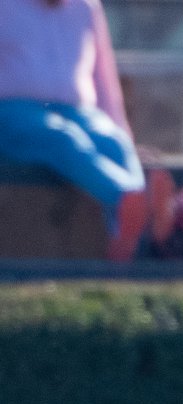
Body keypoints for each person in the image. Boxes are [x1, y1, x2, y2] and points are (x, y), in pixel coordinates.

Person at [0, 0, 146, 261]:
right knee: (64, 139)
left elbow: (104, 79)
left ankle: (129, 236)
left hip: (78, 110)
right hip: (14, 111)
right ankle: (131, 198)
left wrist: (122, 130)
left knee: (115, 142)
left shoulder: (86, 7)